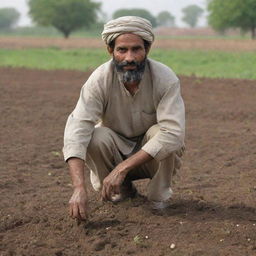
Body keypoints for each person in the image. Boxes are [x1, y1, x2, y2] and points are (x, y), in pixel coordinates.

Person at [63, 16, 185, 221]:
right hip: (114, 149)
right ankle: (120, 193)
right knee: (95, 136)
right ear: (111, 51)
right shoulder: (99, 79)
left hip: (150, 154)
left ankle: (158, 199)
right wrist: (78, 188)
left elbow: (173, 134)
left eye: (136, 49)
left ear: (147, 50)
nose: (129, 57)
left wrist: (123, 168)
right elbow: (77, 130)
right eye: (122, 50)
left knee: (162, 134)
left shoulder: (165, 78)